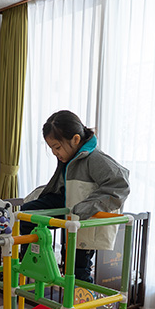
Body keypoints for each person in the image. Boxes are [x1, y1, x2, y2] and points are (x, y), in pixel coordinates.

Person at [21, 110, 130, 282]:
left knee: (77, 269)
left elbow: (120, 185)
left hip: (83, 218)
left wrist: (87, 207)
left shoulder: (94, 158)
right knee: (26, 214)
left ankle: (83, 298)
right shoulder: (69, 159)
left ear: (76, 140)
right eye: (51, 148)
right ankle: (37, 260)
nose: (54, 152)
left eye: (57, 147)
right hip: (69, 207)